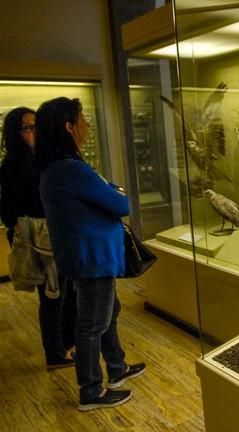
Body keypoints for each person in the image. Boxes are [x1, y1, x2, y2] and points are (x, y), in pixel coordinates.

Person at [35, 97, 145, 411]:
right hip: (92, 258)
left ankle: (116, 368)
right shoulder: (71, 170)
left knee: (107, 314)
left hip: (85, 256)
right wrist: (116, 191)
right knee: (92, 324)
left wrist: (110, 190)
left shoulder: (56, 168)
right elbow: (121, 203)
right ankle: (91, 391)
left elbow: (105, 193)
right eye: (82, 118)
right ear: (68, 127)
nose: (87, 124)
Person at [0, 106, 76, 369]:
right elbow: (10, 210)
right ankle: (55, 352)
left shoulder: (41, 159)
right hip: (39, 240)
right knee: (52, 296)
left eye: (36, 126)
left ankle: (65, 345)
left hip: (52, 236)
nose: (33, 132)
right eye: (27, 127)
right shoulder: (12, 166)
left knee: (63, 293)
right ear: (15, 132)